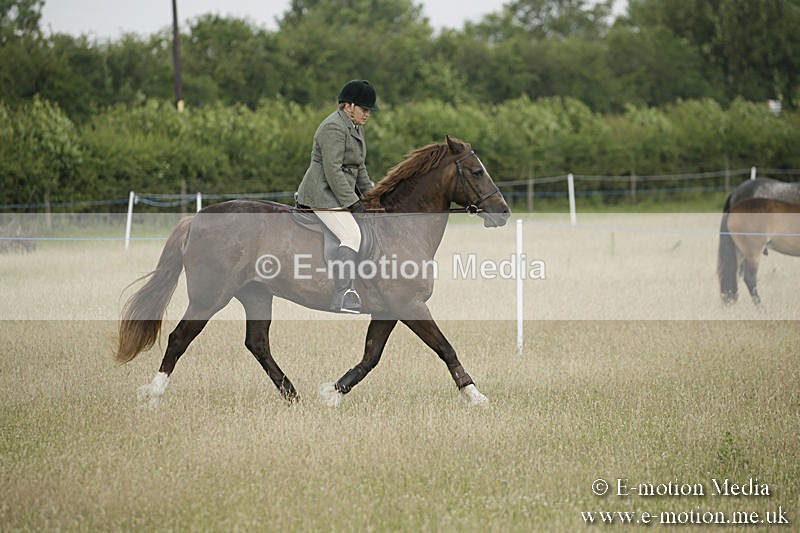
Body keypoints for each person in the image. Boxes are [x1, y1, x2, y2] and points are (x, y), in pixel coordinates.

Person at [296, 79, 379, 313]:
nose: (367, 114)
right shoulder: (333, 127)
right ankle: (343, 294)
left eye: (369, 110)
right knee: (351, 234)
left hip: (337, 194)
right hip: (322, 195)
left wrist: (373, 197)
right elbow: (333, 171)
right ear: (348, 105)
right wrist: (352, 202)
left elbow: (359, 167)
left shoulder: (355, 127)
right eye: (364, 109)